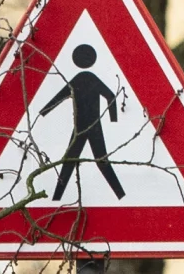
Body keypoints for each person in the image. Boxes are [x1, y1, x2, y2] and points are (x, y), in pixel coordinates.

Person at [42, 41, 124, 203]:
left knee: (70, 162)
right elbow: (111, 97)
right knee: (98, 161)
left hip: (83, 127)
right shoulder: (90, 79)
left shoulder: (78, 79)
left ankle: (56, 198)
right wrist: (112, 118)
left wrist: (43, 112)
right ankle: (121, 195)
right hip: (92, 126)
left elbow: (60, 96)